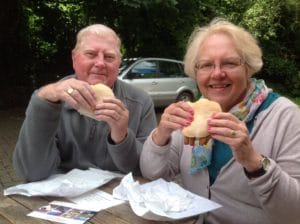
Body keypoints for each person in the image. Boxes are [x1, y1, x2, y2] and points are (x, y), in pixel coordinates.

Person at [140, 18, 300, 224]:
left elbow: (294, 214)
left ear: (248, 68)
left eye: (230, 63)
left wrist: (253, 162)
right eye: (206, 65)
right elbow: (152, 172)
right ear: (196, 73)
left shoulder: (286, 117)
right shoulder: (195, 114)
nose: (217, 73)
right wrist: (161, 134)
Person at [13, 24, 157, 182]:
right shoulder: (52, 100)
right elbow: (32, 172)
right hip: (61, 195)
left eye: (109, 57)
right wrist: (44, 102)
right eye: (91, 54)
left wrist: (121, 136)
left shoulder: (140, 101)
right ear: (74, 58)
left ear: (118, 64)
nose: (100, 63)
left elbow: (145, 169)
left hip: (118, 196)